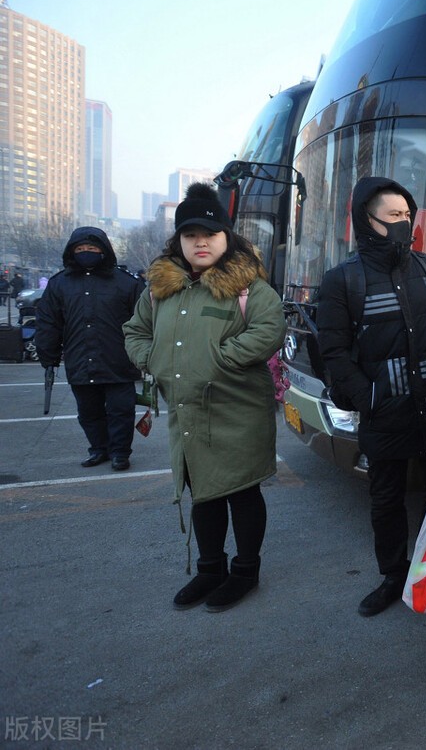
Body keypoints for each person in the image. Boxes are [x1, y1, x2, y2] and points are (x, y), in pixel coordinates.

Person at [123, 183, 286, 611]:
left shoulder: (249, 287)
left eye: (210, 234)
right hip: (188, 411)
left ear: (226, 237)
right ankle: (209, 570)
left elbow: (269, 329)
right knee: (203, 491)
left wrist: (220, 358)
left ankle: (245, 573)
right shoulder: (160, 291)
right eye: (190, 234)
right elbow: (134, 332)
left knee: (241, 491)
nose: (201, 242)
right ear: (177, 240)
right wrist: (153, 359)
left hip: (238, 410)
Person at [317, 176, 426, 617]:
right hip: (386, 416)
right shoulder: (342, 280)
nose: (406, 225)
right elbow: (335, 353)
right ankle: (393, 577)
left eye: (408, 215)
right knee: (385, 502)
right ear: (368, 220)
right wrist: (371, 398)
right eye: (394, 216)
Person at [36, 227, 145, 470]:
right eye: (81, 249)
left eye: (92, 249)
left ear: (104, 251)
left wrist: (145, 355)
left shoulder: (126, 284)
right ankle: (98, 449)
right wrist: (48, 355)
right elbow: (48, 322)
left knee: (121, 412)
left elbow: (144, 321)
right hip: (80, 360)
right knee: (88, 412)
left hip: (119, 360)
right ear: (72, 252)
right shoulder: (59, 284)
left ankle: (119, 452)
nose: (86, 253)